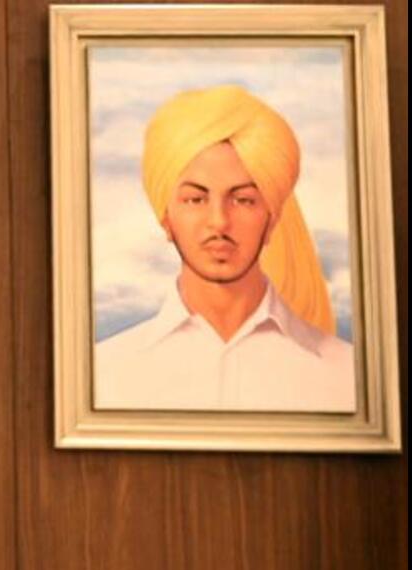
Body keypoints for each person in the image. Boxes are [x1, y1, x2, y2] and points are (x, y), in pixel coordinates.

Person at [93, 84, 355, 412]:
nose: (219, 221)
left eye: (243, 200)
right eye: (195, 199)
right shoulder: (104, 374)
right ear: (166, 219)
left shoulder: (347, 377)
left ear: (272, 218)